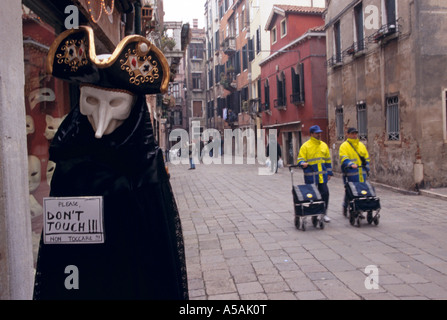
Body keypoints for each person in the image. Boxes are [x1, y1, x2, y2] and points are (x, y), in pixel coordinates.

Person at [33, 26, 188, 300]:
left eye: (115, 103)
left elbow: (159, 249)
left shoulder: (146, 164)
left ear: (134, 108)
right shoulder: (69, 159)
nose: (100, 122)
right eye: (91, 101)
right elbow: (58, 247)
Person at [297, 125, 333, 222]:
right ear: (312, 134)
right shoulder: (305, 146)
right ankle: (314, 212)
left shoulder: (324, 145)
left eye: (319, 133)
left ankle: (323, 213)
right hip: (311, 176)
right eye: (317, 133)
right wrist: (302, 163)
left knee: (325, 194)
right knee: (312, 196)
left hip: (322, 177)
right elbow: (300, 158)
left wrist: (329, 173)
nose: (319, 134)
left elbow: (328, 161)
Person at [339, 127, 371, 216]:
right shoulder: (344, 146)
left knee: (361, 191)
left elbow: (366, 157)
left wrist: (367, 166)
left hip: (362, 173)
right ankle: (345, 206)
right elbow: (343, 158)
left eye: (355, 133)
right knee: (350, 191)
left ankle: (359, 208)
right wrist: (350, 164)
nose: (354, 135)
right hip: (350, 173)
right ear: (348, 134)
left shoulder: (361, 145)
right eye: (352, 133)